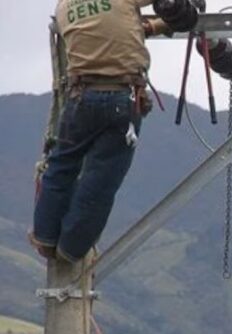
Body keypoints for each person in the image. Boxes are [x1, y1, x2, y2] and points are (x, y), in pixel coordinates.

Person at [29, 0, 169, 263]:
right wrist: (183, 15)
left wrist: (155, 26)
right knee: (101, 178)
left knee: (61, 166)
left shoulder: (64, 8)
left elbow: (111, 26)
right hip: (121, 97)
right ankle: (71, 248)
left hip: (80, 99)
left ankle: (44, 236)